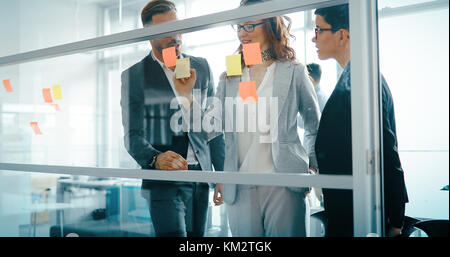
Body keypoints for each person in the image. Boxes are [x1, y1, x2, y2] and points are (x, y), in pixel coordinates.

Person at [176, 0, 320, 236]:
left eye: (249, 26)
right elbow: (210, 127)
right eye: (239, 27)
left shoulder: (293, 70)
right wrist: (187, 98)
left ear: (270, 25)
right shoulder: (231, 75)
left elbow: (314, 125)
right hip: (240, 186)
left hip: (283, 183)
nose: (243, 33)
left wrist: (312, 167)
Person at [120, 0, 225, 237]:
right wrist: (156, 159)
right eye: (166, 30)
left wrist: (222, 174)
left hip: (200, 175)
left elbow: (213, 126)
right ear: (149, 34)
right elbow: (133, 136)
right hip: (164, 181)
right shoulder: (134, 76)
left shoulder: (201, 66)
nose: (175, 36)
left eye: (177, 27)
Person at [312, 4, 409, 237]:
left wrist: (396, 221)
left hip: (359, 211)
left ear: (342, 35)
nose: (313, 39)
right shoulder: (353, 77)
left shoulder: (362, 81)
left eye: (318, 30)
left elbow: (386, 152)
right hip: (349, 206)